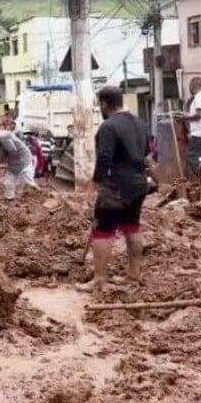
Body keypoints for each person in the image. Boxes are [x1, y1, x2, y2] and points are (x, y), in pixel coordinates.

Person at [77, 86, 151, 293]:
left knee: (103, 230)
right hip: (139, 183)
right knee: (132, 226)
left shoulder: (109, 126)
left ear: (104, 104)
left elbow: (104, 158)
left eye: (99, 104)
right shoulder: (140, 123)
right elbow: (146, 152)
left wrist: (94, 184)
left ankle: (100, 279)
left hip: (116, 186)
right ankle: (133, 276)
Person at [177, 77, 201, 175]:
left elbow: (199, 114)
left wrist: (184, 118)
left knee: (192, 158)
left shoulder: (199, 97)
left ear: (193, 86)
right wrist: (186, 114)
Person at [0, 130, 40, 200]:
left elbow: (12, 151)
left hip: (24, 161)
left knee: (29, 182)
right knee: (8, 183)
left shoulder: (3, 137)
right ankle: (9, 199)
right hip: (13, 163)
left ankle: (37, 198)